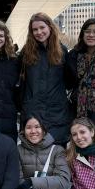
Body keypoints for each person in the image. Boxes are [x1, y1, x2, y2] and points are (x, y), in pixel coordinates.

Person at [19, 13, 72, 145]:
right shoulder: (26, 52)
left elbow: (69, 81)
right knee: (33, 160)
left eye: (42, 27)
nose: (39, 32)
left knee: (57, 159)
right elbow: (20, 82)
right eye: (35, 30)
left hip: (57, 114)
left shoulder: (62, 51)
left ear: (50, 27)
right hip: (33, 114)